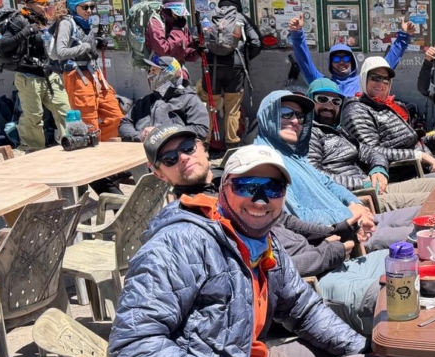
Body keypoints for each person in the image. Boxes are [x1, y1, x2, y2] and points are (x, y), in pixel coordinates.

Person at [109, 143, 393, 357]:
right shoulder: (180, 243)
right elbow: (132, 344)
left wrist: (362, 347)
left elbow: (302, 308)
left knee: (353, 356)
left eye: (273, 189)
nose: (260, 199)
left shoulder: (261, 241)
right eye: (246, 186)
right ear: (223, 188)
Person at [142, 124, 392, 336]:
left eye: (187, 148)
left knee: (405, 266)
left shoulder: (233, 180)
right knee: (387, 299)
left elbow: (287, 221)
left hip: (321, 261)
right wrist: (326, 254)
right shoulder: (195, 219)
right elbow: (258, 272)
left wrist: (337, 229)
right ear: (159, 173)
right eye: (170, 159)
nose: (184, 158)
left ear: (203, 147)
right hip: (306, 288)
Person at [253, 89, 421, 252]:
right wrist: (349, 214)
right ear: (268, 116)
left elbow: (329, 183)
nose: (295, 121)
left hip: (358, 219)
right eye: (285, 113)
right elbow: (299, 217)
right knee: (428, 234)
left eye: (300, 115)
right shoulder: (266, 164)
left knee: (424, 215)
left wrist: (355, 204)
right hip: (346, 236)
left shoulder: (295, 155)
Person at [305, 78, 435, 212]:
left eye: (336, 101)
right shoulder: (309, 134)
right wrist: (361, 184)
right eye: (322, 99)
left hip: (373, 187)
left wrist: (378, 169)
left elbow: (371, 152)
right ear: (309, 101)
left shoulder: (340, 131)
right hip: (357, 198)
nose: (329, 106)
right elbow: (315, 175)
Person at [340, 57, 435, 181]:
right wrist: (418, 156)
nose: (381, 83)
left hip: (428, 166)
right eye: (375, 78)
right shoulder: (357, 110)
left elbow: (412, 141)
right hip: (404, 175)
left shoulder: (388, 106)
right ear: (364, 79)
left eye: (385, 79)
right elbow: (372, 151)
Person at [0, 0, 71, 153]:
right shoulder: (19, 20)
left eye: (47, 2)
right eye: (41, 2)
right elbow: (3, 46)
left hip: (48, 74)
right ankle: (32, 149)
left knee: (64, 108)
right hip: (28, 76)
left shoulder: (44, 19)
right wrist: (25, 32)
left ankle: (70, 140)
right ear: (30, 4)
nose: (45, 5)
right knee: (33, 116)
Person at [49, 0, 123, 141]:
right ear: (73, 6)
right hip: (77, 75)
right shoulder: (66, 23)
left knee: (116, 116)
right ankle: (94, 151)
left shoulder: (86, 23)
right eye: (85, 7)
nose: (89, 10)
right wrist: (86, 47)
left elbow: (85, 43)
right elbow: (61, 52)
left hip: (94, 74)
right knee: (89, 122)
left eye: (91, 7)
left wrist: (97, 43)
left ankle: (100, 144)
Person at [287, 13, 410, 97]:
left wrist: (404, 36)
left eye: (346, 58)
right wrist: (297, 34)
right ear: (330, 62)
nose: (342, 62)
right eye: (336, 58)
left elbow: (387, 64)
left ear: (352, 61)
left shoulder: (364, 81)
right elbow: (304, 62)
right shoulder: (323, 83)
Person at [198, 0, 259, 147]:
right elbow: (256, 42)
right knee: (232, 108)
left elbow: (196, 41)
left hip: (211, 67)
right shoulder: (241, 18)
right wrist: (245, 57)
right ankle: (231, 146)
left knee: (209, 106)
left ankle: (204, 145)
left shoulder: (208, 18)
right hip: (235, 68)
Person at [119, 55, 209, 142]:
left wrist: (161, 133)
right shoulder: (144, 101)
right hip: (140, 151)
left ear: (171, 73)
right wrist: (139, 136)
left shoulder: (190, 100)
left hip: (173, 153)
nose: (150, 75)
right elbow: (125, 123)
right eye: (150, 71)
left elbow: (201, 130)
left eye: (154, 71)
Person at [144, 0, 197, 65]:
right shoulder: (156, 23)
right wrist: (177, 30)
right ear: (168, 11)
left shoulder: (180, 22)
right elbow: (163, 51)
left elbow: (184, 50)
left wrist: (196, 51)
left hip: (177, 66)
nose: (180, 16)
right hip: (160, 67)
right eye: (176, 14)